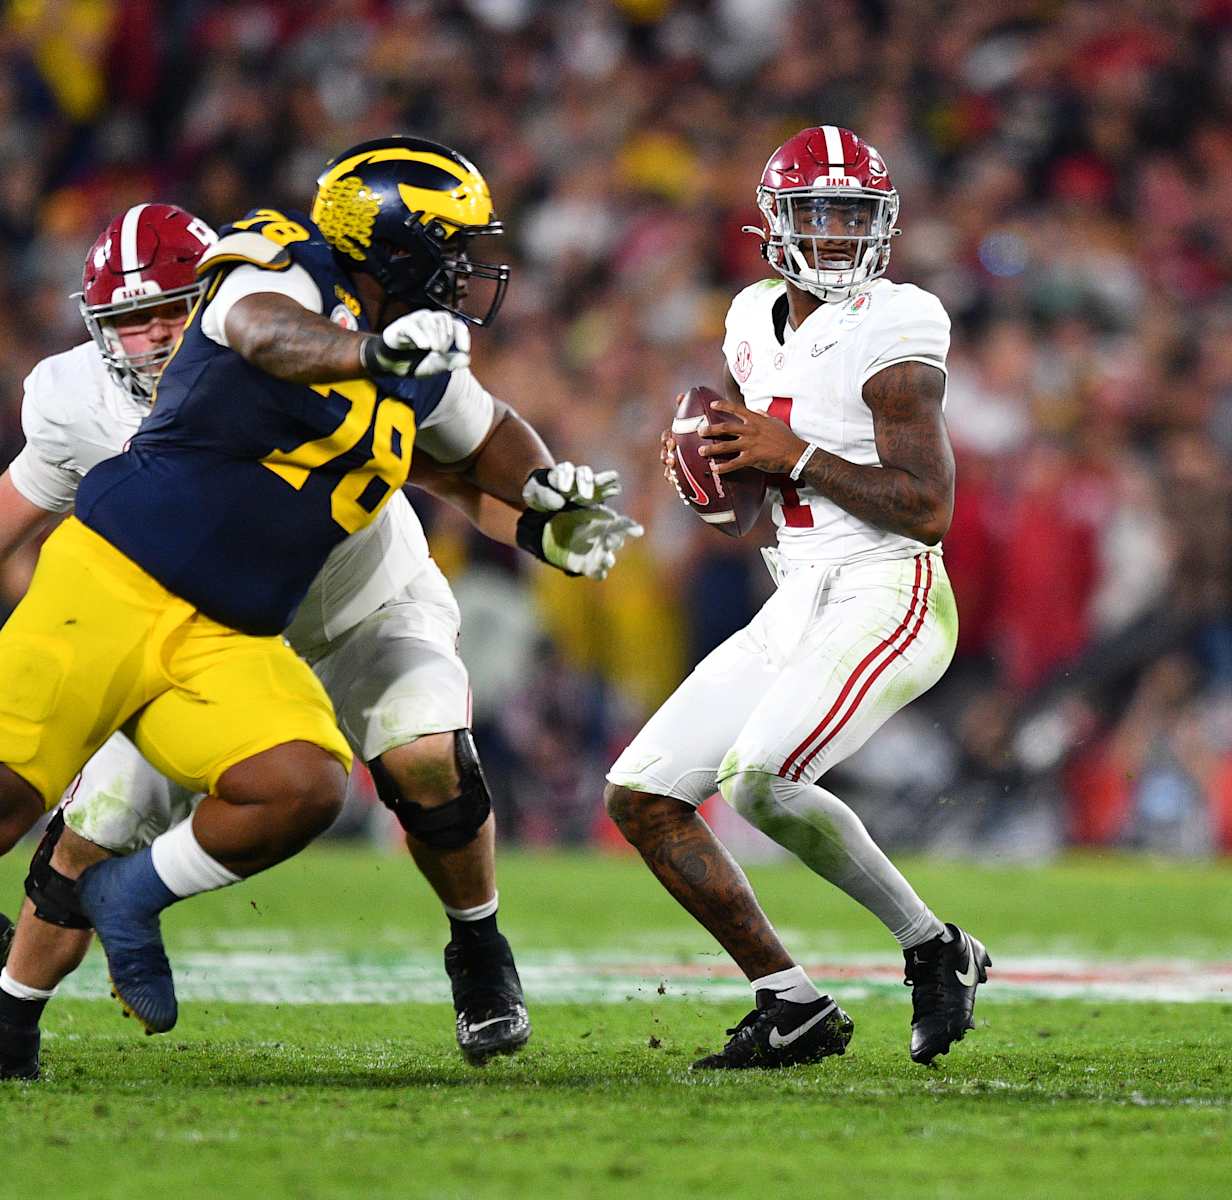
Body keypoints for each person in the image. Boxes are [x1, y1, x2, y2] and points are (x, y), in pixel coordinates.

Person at [0, 137, 639, 1069]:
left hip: (282, 615)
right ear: (391, 243)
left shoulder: (416, 348)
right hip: (125, 586)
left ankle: (466, 943)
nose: (465, 272)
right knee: (60, 813)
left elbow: (482, 441)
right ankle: (13, 1022)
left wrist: (545, 507)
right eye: (449, 247)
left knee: (322, 782)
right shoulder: (276, 275)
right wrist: (371, 353)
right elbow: (262, 330)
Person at [605, 125, 988, 1069]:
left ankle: (933, 949)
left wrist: (798, 459)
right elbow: (757, 507)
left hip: (888, 587)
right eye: (814, 212)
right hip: (796, 593)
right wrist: (718, 485)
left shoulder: (898, 323)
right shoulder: (749, 318)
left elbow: (929, 509)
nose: (831, 234)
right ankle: (791, 1003)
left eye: (851, 215)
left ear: (883, 224)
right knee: (643, 795)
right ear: (775, 221)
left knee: (762, 777)